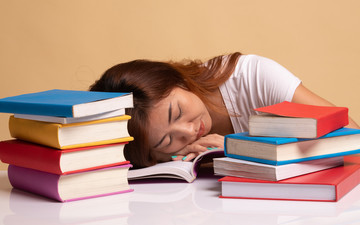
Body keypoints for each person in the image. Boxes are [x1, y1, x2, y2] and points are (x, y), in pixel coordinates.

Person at [89, 52, 359, 168]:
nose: (189, 131)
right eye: (168, 140)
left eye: (178, 112)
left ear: (177, 80)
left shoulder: (254, 77)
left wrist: (242, 147)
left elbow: (352, 138)